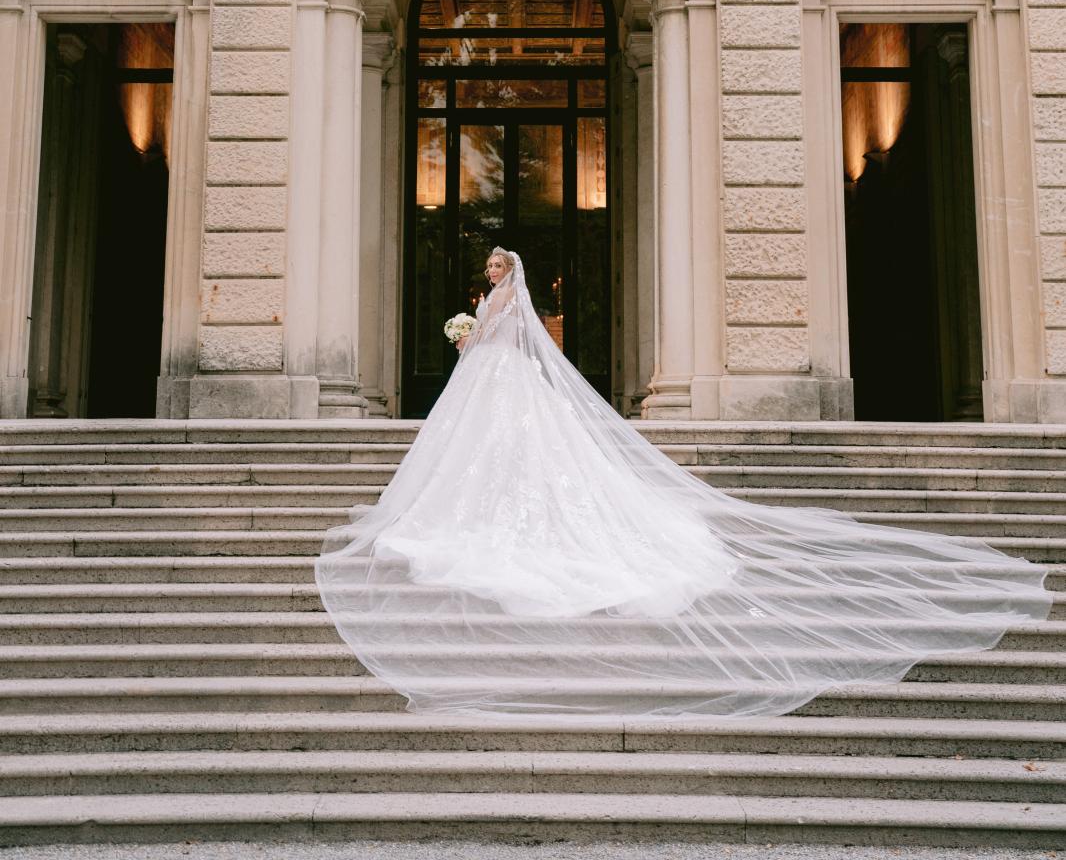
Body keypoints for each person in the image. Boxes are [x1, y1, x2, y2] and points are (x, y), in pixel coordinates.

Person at [315, 247, 1050, 717]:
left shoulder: (505, 302)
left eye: (494, 268)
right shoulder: (504, 298)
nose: (489, 276)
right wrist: (471, 335)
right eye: (489, 271)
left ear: (507, 271)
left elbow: (496, 336)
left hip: (498, 379)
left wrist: (469, 333)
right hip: (497, 383)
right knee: (497, 456)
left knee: (506, 455)